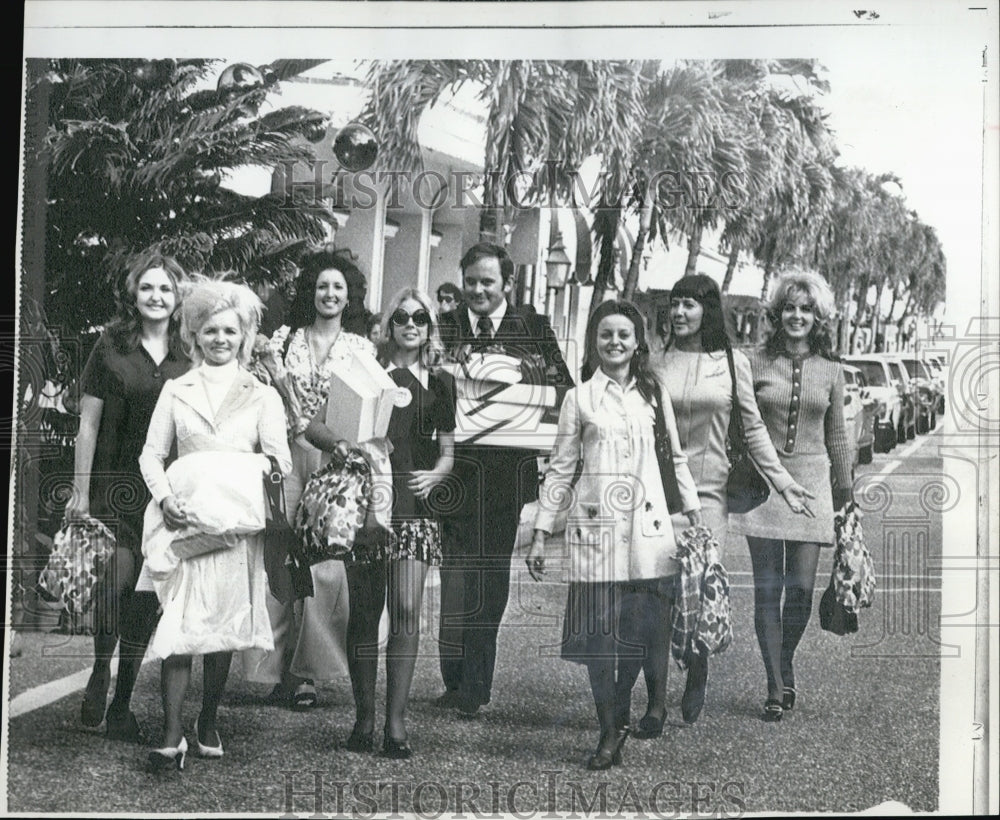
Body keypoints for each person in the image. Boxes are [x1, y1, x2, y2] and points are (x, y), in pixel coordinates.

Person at [526, 300, 701, 770]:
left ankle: (632, 708)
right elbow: (561, 470)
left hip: (649, 532)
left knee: (644, 634)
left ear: (637, 342)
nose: (615, 342)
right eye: (606, 334)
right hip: (595, 532)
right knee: (599, 639)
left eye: (624, 334)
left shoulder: (652, 394)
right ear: (594, 342)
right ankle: (609, 729)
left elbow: (676, 459)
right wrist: (542, 531)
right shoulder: (579, 398)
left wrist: (694, 514)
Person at [649, 274, 815, 729]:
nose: (679, 313)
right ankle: (655, 699)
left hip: (708, 493)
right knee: (659, 593)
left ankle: (697, 664)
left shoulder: (730, 361)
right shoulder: (656, 359)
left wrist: (782, 481)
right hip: (658, 490)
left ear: (708, 310)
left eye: (689, 305)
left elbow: (755, 428)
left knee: (697, 588)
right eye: (674, 304)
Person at [137, 279, 291, 770]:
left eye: (229, 330)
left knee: (221, 629)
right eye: (209, 330)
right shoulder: (175, 389)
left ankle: (208, 717)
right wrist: (165, 499)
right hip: (184, 524)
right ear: (194, 335)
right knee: (181, 624)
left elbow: (278, 460)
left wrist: (242, 478)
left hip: (234, 528)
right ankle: (170, 733)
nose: (219, 339)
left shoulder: (262, 394)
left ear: (243, 334)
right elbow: (152, 455)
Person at [306, 288, 456, 758]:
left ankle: (395, 724)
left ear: (430, 327)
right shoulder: (364, 374)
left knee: (408, 611)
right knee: (366, 614)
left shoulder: (442, 382)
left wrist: (438, 472)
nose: (410, 324)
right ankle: (363, 718)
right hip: (367, 505)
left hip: (414, 508)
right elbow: (314, 426)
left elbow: (448, 451)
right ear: (387, 326)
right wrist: (342, 447)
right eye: (400, 317)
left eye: (420, 317)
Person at [435, 242, 574, 716]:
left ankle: (476, 682)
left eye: (487, 282)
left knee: (489, 574)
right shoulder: (445, 326)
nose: (477, 289)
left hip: (505, 472)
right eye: (470, 281)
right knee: (455, 575)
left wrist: (529, 392)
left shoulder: (531, 328)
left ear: (507, 284)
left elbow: (564, 389)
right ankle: (453, 677)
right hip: (450, 468)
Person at [66, 252, 190, 741]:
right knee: (115, 583)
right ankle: (101, 667)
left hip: (164, 492)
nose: (156, 297)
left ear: (177, 298)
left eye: (165, 289)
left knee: (145, 597)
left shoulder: (189, 351)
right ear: (133, 294)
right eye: (147, 288)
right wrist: (79, 490)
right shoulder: (111, 345)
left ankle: (122, 703)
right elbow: (88, 423)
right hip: (114, 485)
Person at [250, 248, 374, 710]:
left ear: (348, 297)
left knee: (323, 565)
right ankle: (272, 664)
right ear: (311, 292)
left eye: (338, 287)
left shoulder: (361, 348)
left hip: (334, 461)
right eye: (322, 285)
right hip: (285, 455)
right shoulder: (283, 339)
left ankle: (306, 673)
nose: (329, 293)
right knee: (280, 557)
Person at [731, 271, 854, 722]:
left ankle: (784, 662)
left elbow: (837, 437)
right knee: (767, 591)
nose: (796, 316)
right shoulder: (752, 362)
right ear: (777, 313)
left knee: (799, 590)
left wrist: (846, 496)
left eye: (805, 309)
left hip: (813, 483)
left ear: (817, 317)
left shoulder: (832, 369)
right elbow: (741, 424)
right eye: (789, 307)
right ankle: (774, 683)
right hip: (764, 485)